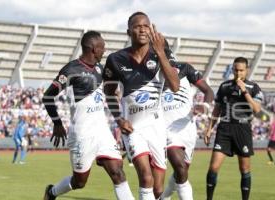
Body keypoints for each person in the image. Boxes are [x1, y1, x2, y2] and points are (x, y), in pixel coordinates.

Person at [42, 31, 134, 200]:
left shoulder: (102, 69)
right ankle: (52, 192)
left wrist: (119, 119)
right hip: (82, 134)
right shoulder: (71, 70)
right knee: (79, 182)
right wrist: (57, 123)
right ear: (93, 48)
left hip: (102, 132)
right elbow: (47, 96)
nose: (104, 51)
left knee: (118, 173)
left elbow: (109, 94)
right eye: (102, 47)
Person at [103, 11, 180, 200]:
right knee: (146, 177)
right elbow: (108, 92)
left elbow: (175, 86)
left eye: (146, 25)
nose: (143, 29)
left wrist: (161, 52)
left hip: (157, 126)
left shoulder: (161, 52)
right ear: (129, 32)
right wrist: (119, 119)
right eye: (138, 26)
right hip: (133, 128)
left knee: (158, 188)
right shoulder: (115, 59)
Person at [204, 57, 263, 200]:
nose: (238, 73)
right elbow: (217, 110)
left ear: (247, 70)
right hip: (224, 129)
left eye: (241, 70)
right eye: (235, 70)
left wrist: (245, 92)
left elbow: (257, 110)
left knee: (244, 169)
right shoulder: (224, 86)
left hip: (242, 129)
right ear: (232, 69)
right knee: (213, 168)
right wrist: (209, 129)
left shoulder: (254, 88)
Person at [161, 60, 214, 199]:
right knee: (180, 167)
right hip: (167, 130)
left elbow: (208, 91)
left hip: (188, 128)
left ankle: (165, 196)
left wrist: (205, 106)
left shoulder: (184, 68)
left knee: (182, 171)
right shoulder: (150, 72)